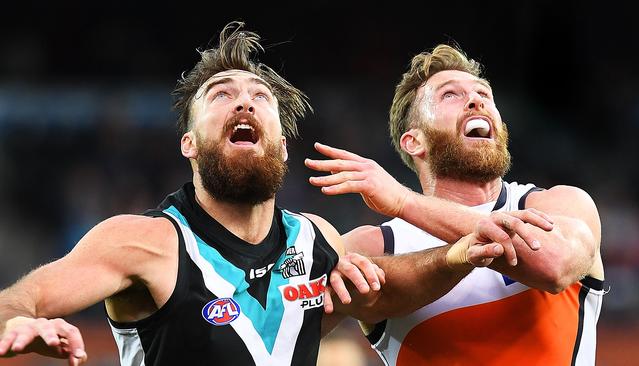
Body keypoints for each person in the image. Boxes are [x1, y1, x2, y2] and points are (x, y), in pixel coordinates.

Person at [0, 21, 389, 366]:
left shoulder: (317, 240)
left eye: (261, 96)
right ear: (189, 143)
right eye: (221, 94)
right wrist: (15, 321)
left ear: (284, 145)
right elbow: (20, 298)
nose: (244, 102)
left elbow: (397, 292)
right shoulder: (142, 241)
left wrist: (424, 253)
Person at [305, 44, 605, 365]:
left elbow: (554, 266)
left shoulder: (558, 204)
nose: (477, 100)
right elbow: (285, 335)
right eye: (450, 95)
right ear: (414, 141)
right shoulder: (375, 244)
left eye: (484, 94)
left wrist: (404, 201)